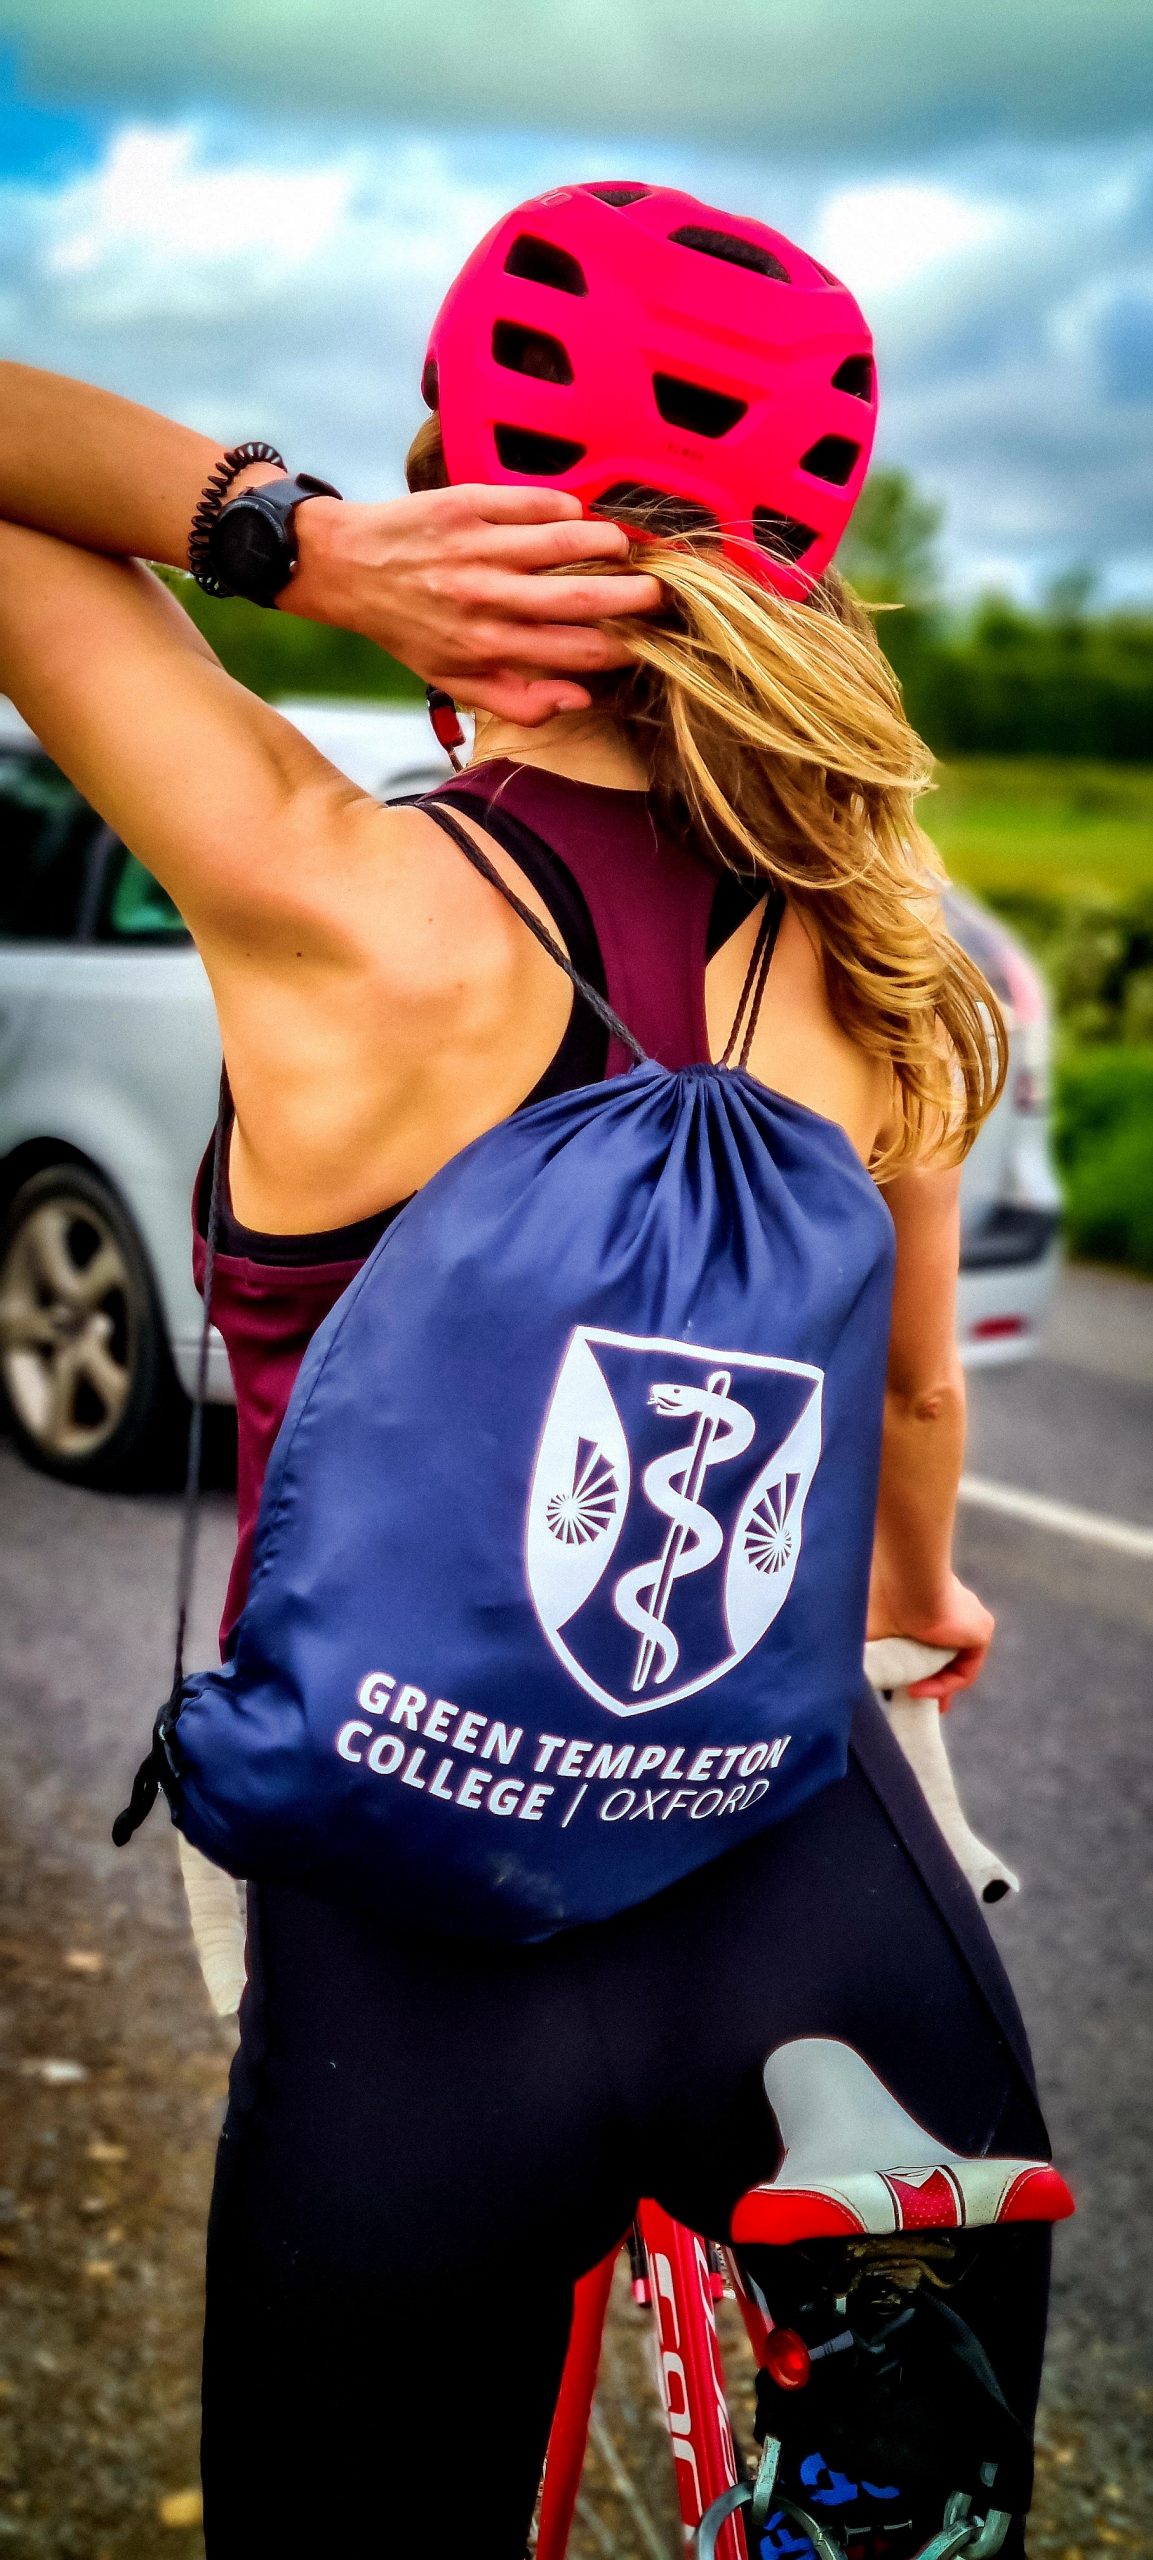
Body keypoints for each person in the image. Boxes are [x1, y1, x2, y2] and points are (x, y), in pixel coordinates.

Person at [0, 184, 1053, 2558]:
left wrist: (294, 542)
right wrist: (923, 1593)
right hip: (813, 1899)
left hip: (416, 1939)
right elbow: (901, 1404)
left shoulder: (333, 890)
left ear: (458, 491)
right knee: (911, 2471)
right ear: (803, 559)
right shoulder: (892, 967)